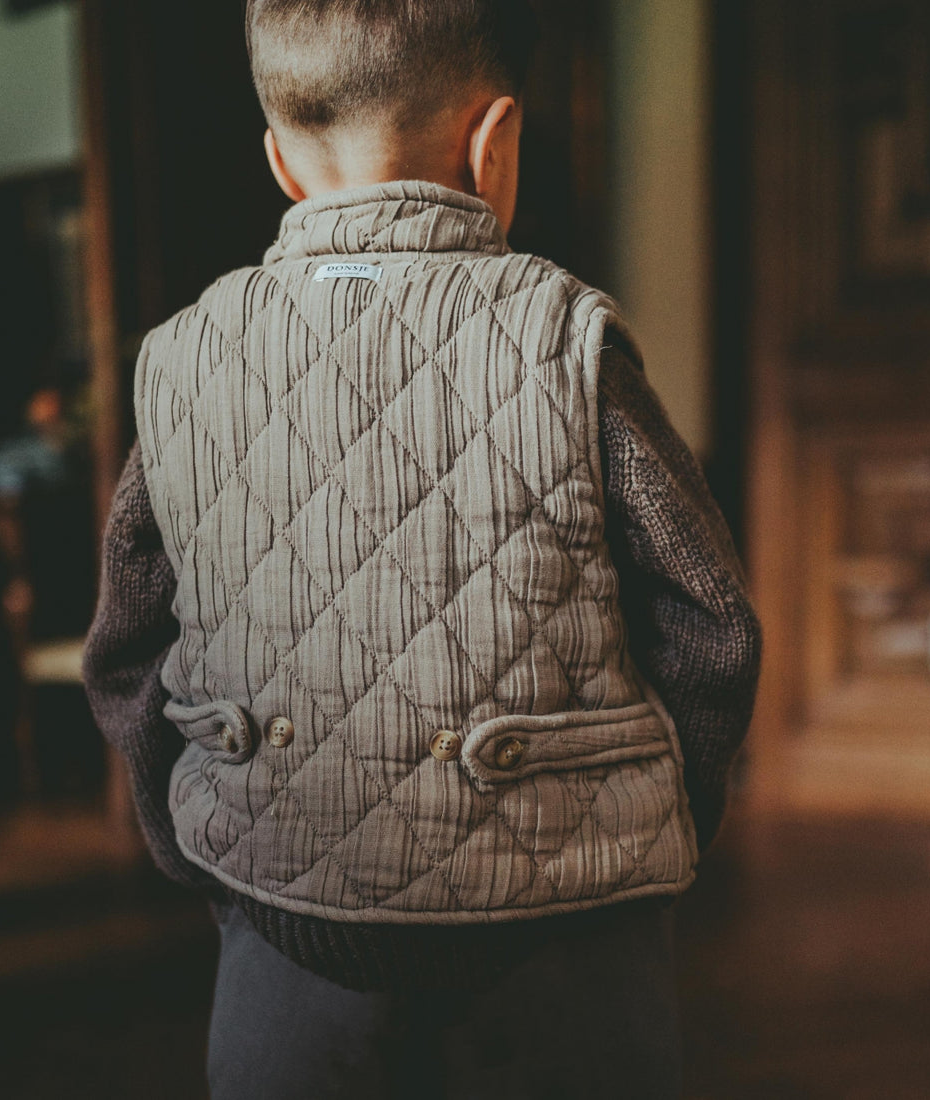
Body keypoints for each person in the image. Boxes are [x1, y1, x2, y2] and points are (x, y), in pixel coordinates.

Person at [84, 1, 762, 1095]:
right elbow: (708, 621)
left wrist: (200, 848)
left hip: (281, 925)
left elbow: (127, 647)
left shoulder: (179, 361)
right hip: (567, 933)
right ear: (494, 144)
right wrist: (658, 819)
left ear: (281, 163)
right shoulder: (565, 338)